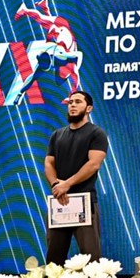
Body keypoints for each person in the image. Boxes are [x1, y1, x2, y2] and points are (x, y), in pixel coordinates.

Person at [45, 90, 108, 265]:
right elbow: (49, 163)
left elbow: (94, 164)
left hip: (84, 201)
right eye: (70, 102)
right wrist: (56, 184)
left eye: (78, 102)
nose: (72, 105)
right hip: (59, 201)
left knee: (91, 259)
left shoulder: (96, 133)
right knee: (54, 259)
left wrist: (67, 184)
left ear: (89, 108)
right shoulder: (57, 135)